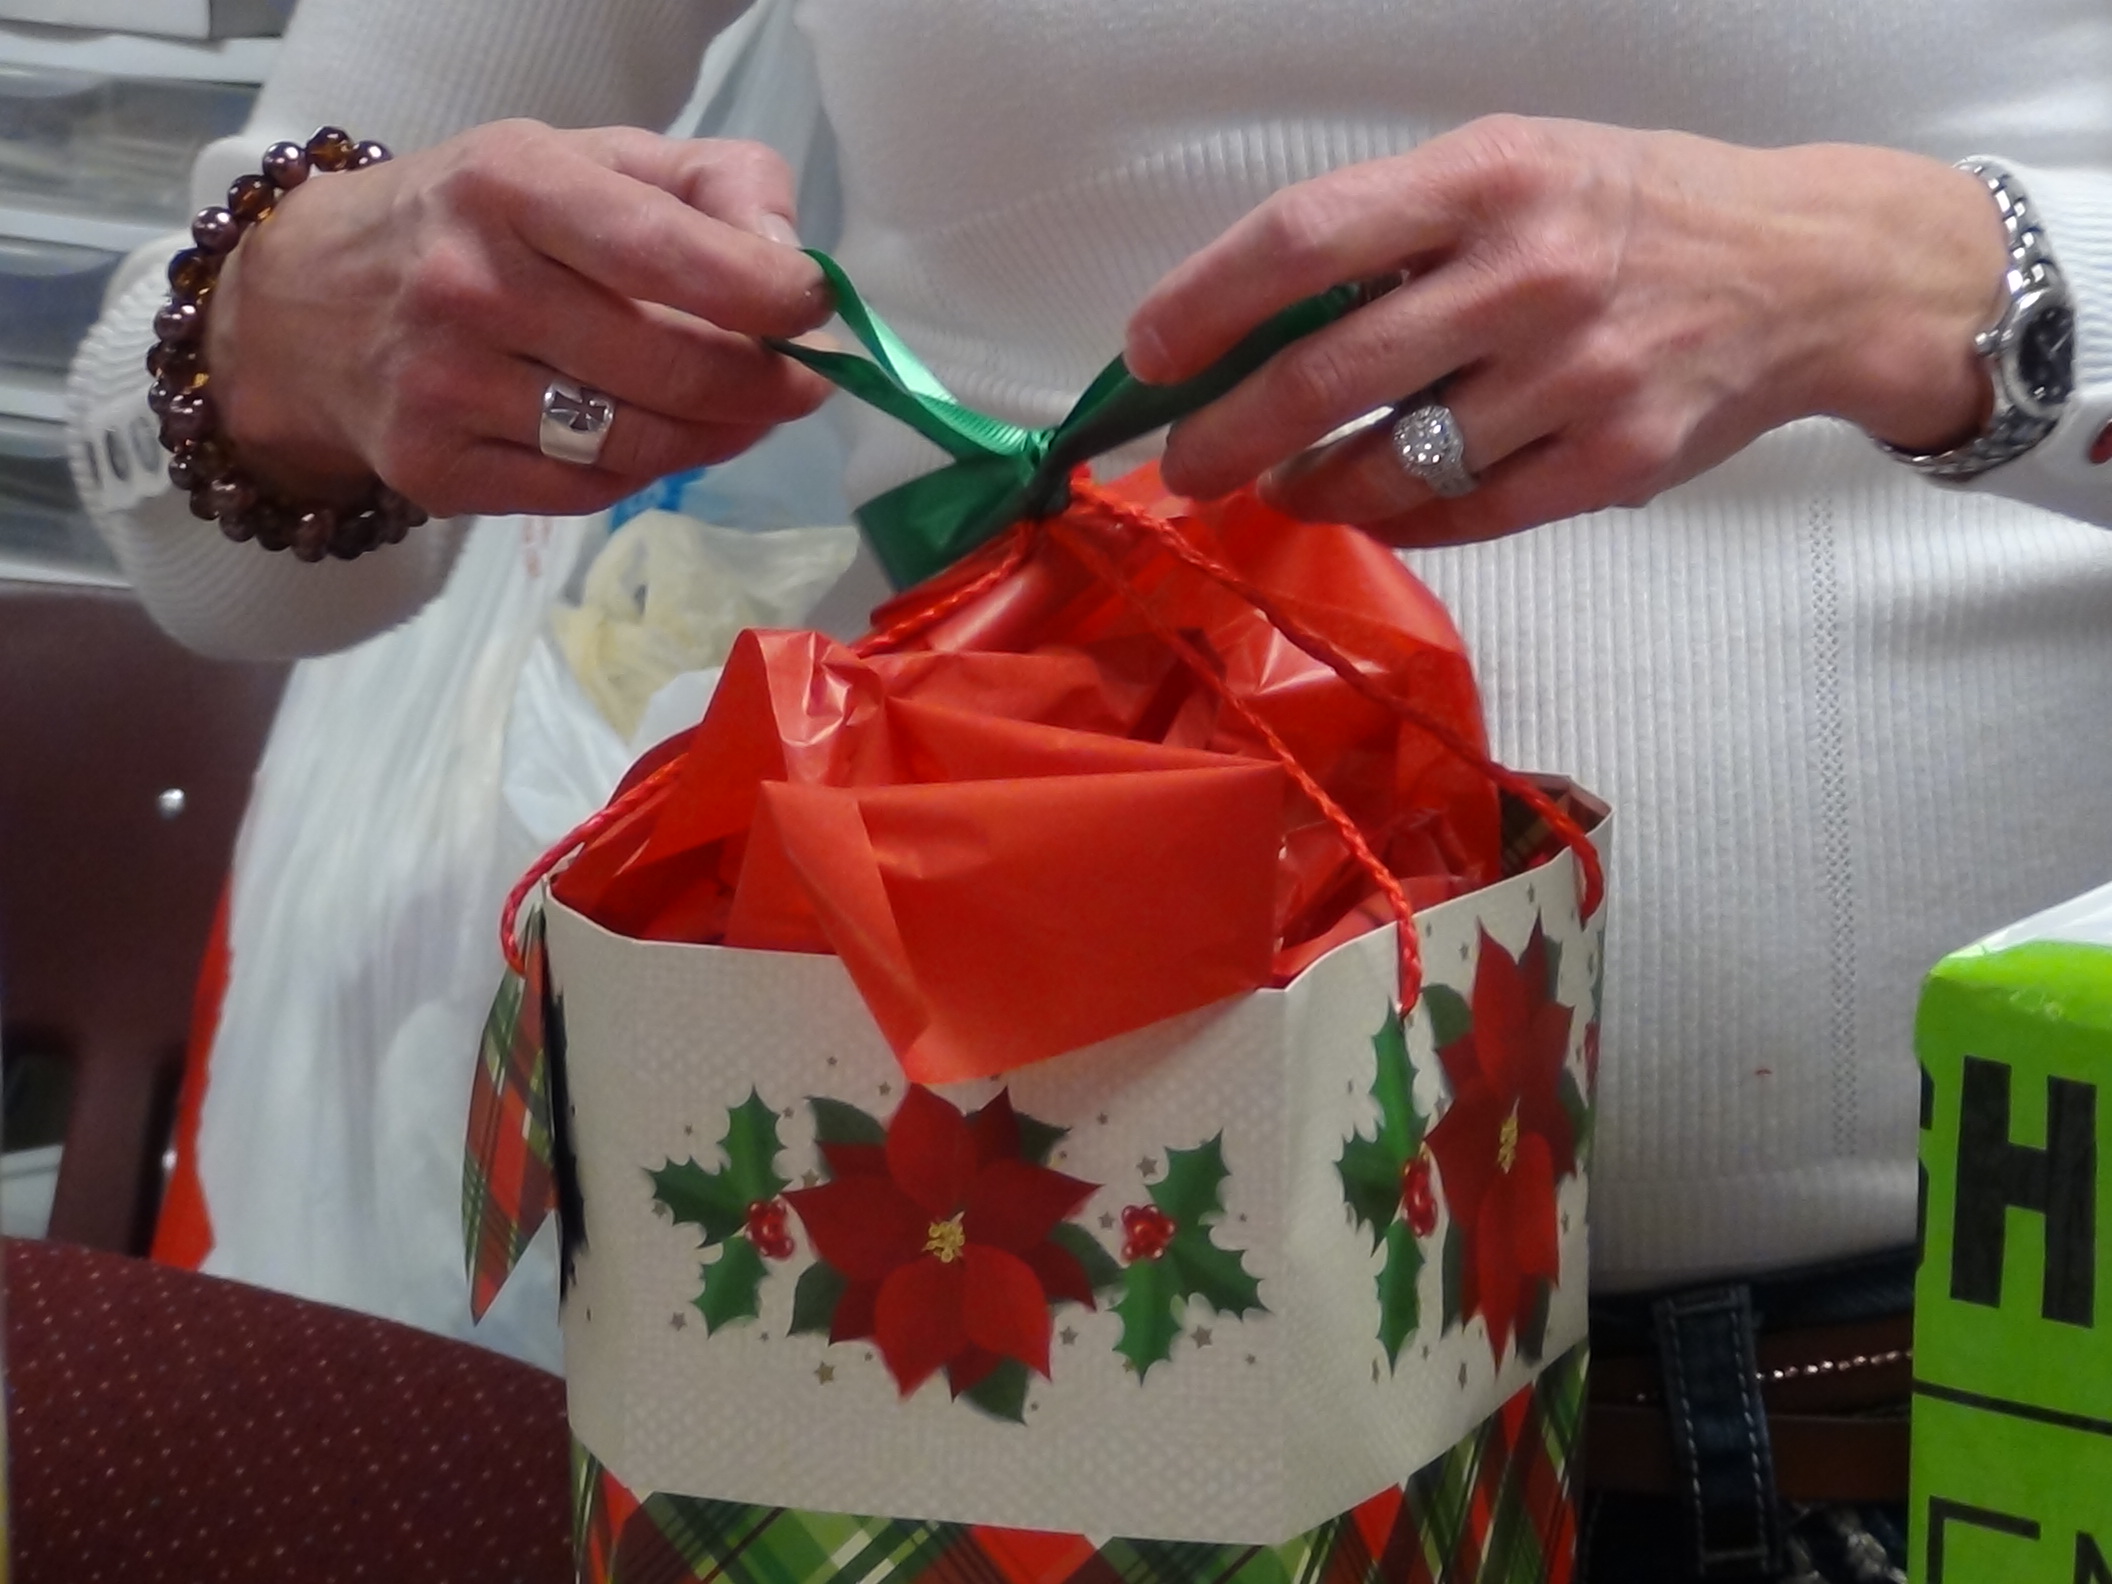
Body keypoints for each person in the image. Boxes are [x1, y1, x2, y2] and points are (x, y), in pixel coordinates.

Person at [65, 0, 2112, 1577]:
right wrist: (280, 334)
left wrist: (1944, 281)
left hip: (1978, 1409)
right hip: (1016, 1398)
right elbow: (195, 514)